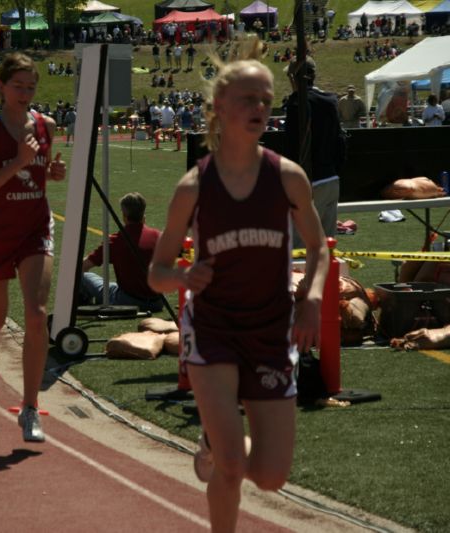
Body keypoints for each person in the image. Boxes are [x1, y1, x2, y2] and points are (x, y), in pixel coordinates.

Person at [147, 36, 329, 533]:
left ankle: (215, 445)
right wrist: (184, 275)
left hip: (272, 331)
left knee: (270, 477)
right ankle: (221, 460)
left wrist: (310, 300)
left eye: (266, 100)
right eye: (248, 99)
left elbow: (319, 247)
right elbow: (157, 271)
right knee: (231, 468)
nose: (259, 108)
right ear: (219, 106)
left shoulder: (288, 177)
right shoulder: (194, 187)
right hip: (213, 329)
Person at [0, 53, 66, 443]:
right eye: (18, 85)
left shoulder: (47, 125)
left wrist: (50, 173)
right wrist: (18, 162)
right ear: (1, 86)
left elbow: (39, 174)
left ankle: (29, 408)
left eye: (31, 86)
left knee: (37, 315)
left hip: (35, 229)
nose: (25, 93)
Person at [283, 56, 345, 248]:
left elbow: (293, 147)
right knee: (327, 245)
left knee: (300, 247)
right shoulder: (330, 101)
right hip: (330, 179)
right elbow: (340, 141)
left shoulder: (296, 104)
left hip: (309, 181)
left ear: (294, 77)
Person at [80, 193, 163, 312]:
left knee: (84, 276)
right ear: (143, 213)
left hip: (128, 301)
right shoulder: (157, 236)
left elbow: (84, 266)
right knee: (112, 286)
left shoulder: (115, 241)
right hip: (157, 302)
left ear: (124, 215)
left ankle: (83, 301)